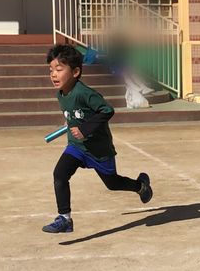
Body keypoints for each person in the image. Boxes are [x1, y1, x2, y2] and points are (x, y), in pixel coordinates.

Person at [43, 45, 153, 233]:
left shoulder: (84, 93)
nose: (53, 74)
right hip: (77, 147)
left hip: (98, 149)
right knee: (60, 174)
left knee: (112, 183)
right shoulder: (61, 94)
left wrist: (85, 129)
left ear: (76, 71)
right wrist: (70, 122)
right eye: (51, 70)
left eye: (59, 70)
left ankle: (140, 186)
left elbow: (107, 110)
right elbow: (74, 114)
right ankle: (65, 219)